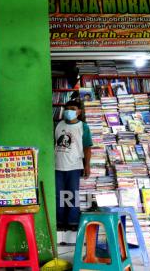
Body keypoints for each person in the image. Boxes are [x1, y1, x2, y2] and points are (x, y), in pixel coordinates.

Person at [54, 99, 93, 231]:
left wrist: (87, 165)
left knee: (71, 195)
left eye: (73, 108)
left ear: (79, 111)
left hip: (74, 166)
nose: (69, 111)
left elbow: (87, 147)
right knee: (58, 195)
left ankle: (72, 222)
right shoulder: (58, 125)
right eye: (67, 108)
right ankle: (59, 221)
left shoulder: (83, 127)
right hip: (57, 166)